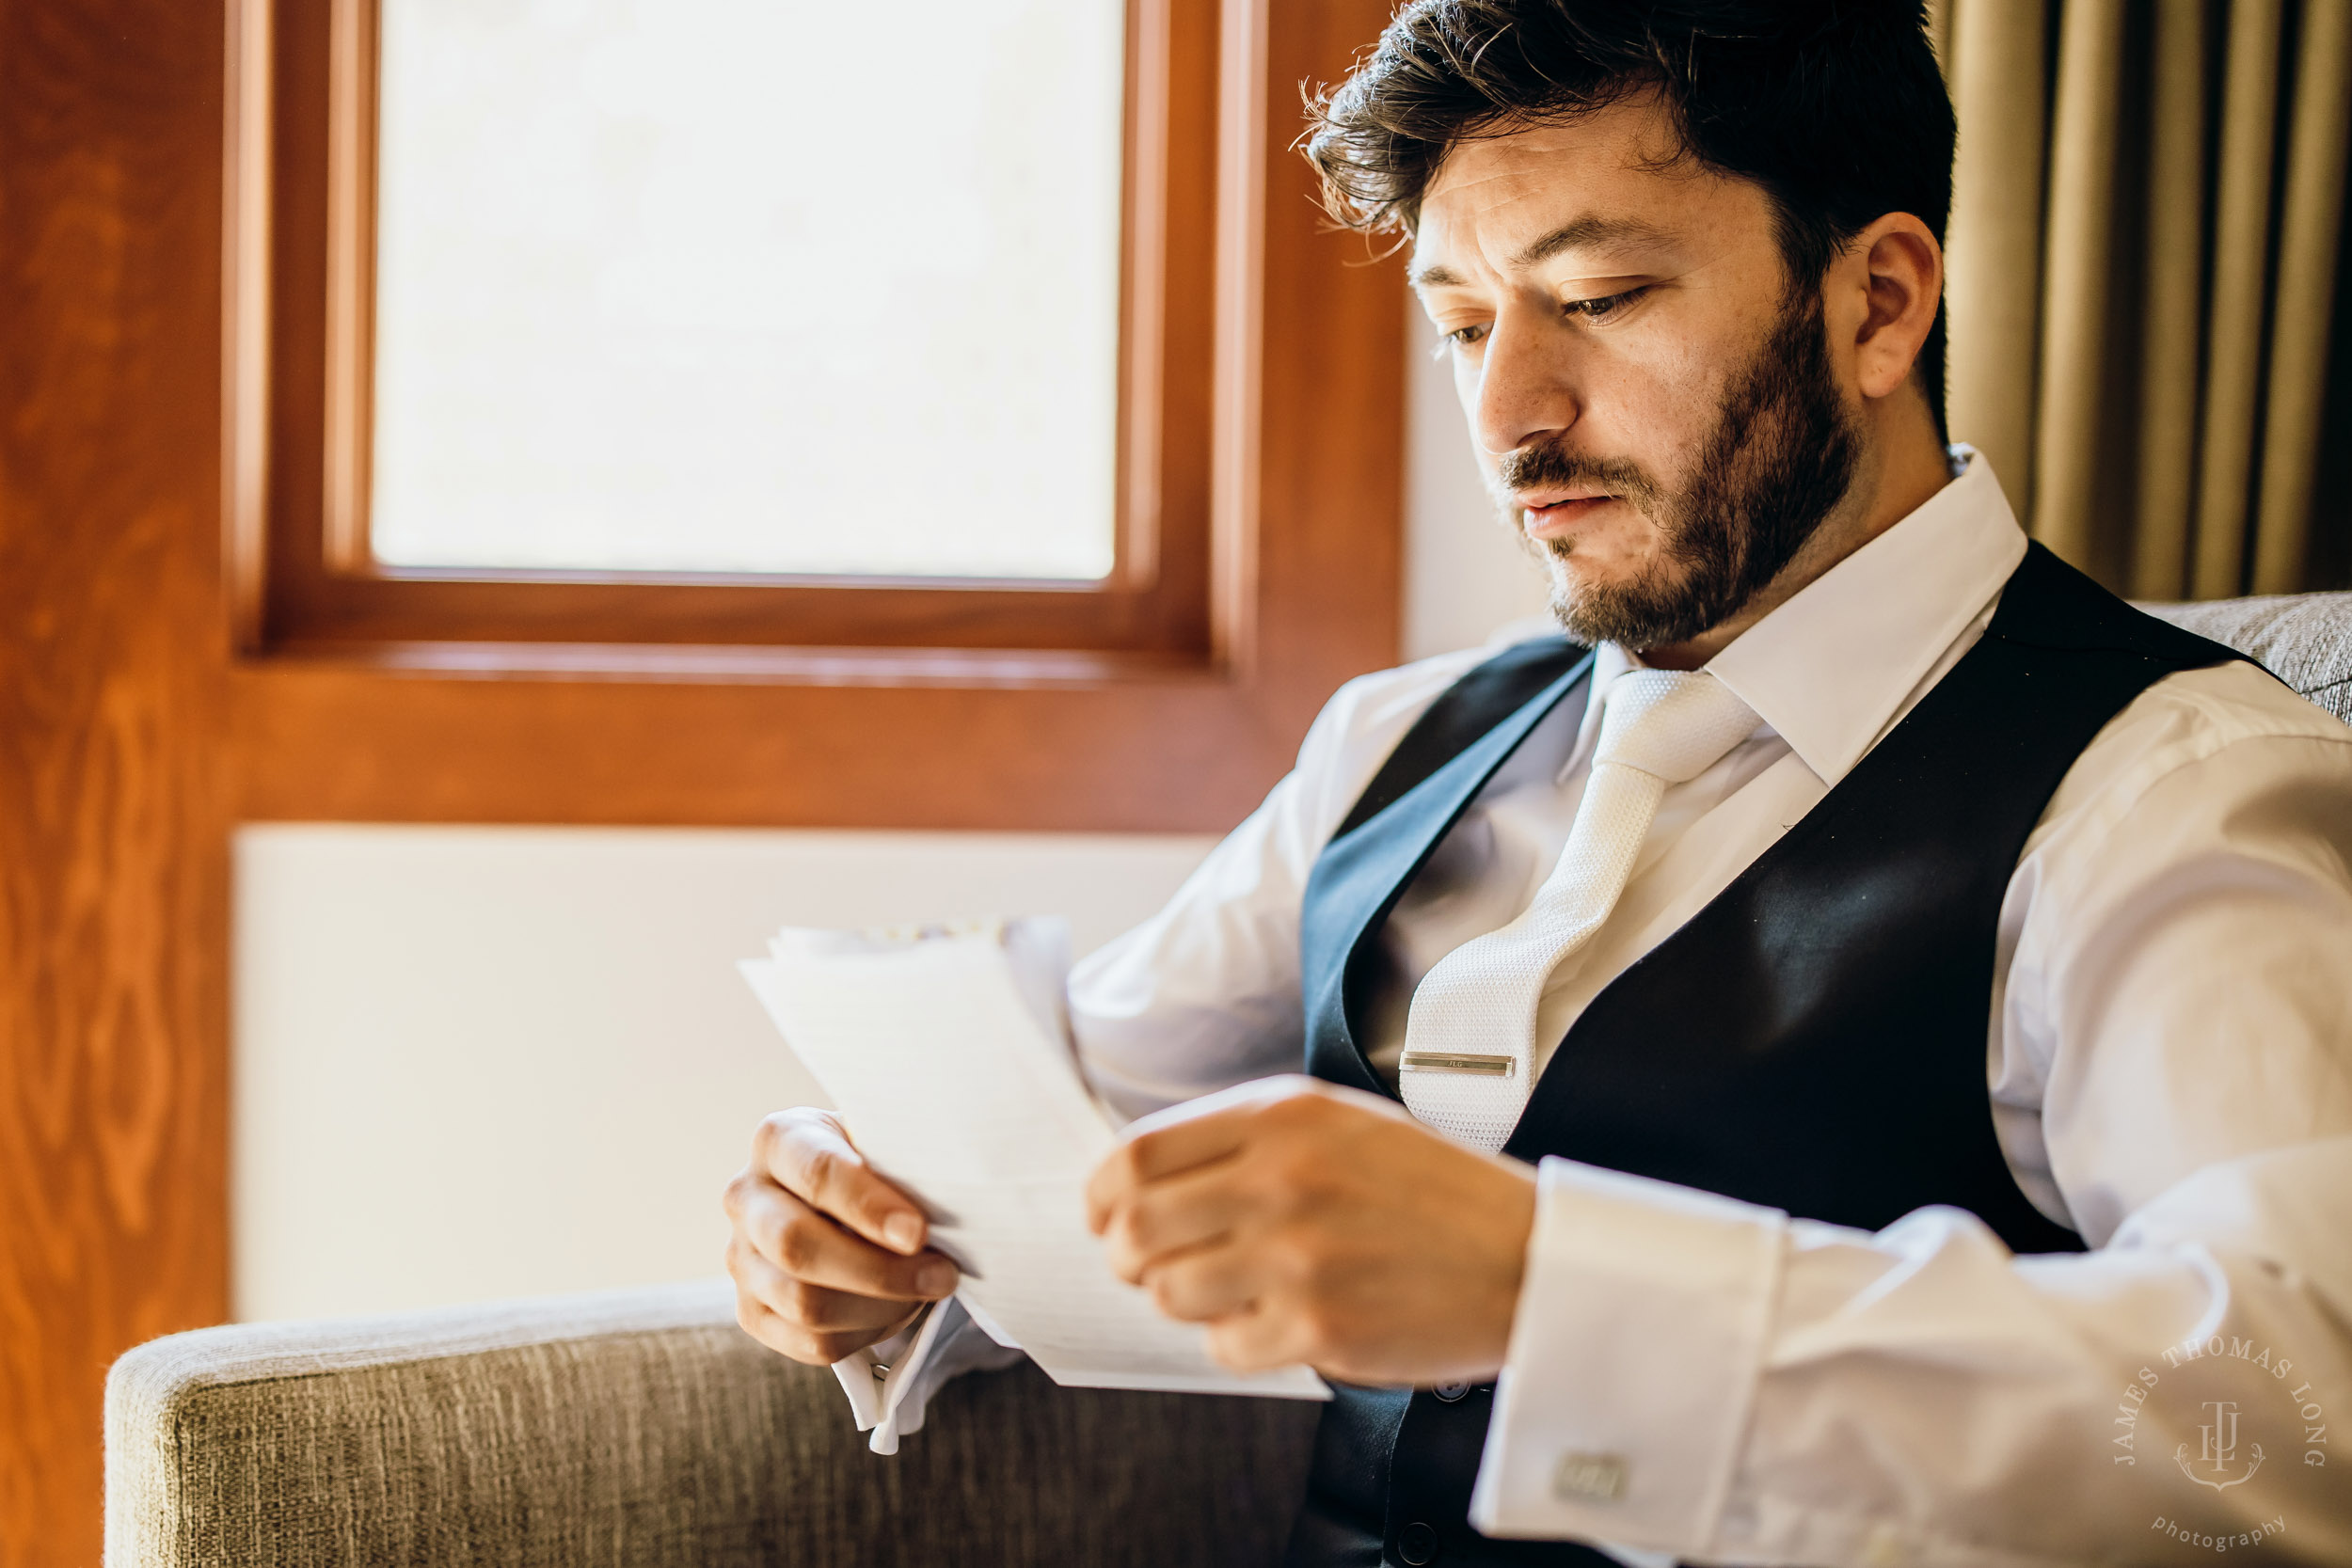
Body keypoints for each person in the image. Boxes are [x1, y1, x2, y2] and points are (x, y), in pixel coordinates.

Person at [723, 3, 2352, 1562]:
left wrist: (1542, 1288)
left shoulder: (2173, 793)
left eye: (1604, 295)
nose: (1509, 414)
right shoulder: (1397, 746)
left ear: (1879, 303)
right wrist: (867, 1218)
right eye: (1463, 323)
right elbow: (1062, 1133)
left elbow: (2296, 1420)